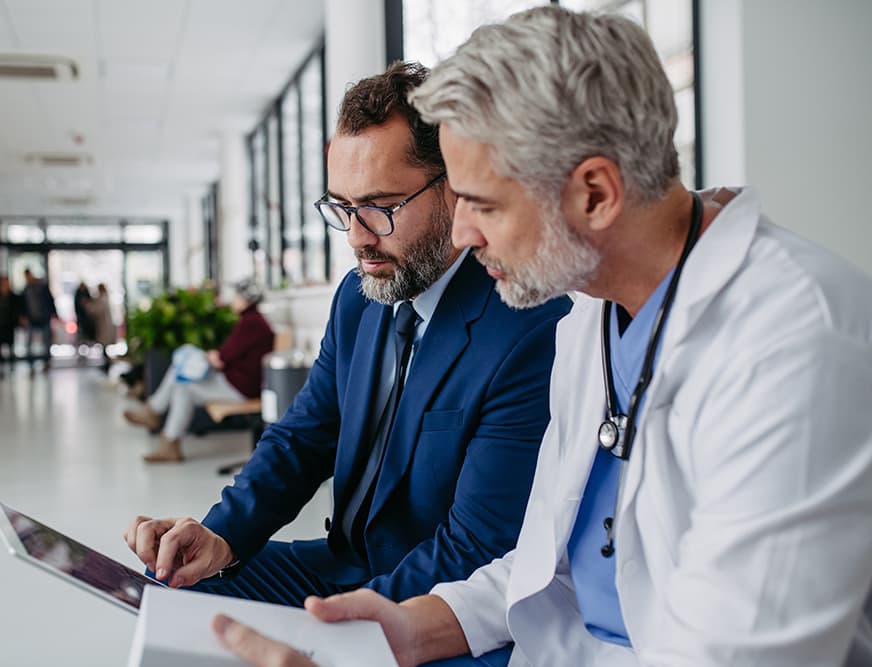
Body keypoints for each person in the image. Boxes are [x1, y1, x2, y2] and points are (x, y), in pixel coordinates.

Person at [214, 6, 872, 666]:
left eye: (485, 204)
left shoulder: (797, 341)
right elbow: (542, 567)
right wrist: (407, 629)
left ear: (594, 194)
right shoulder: (592, 309)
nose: (464, 235)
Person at [123, 62, 571, 606]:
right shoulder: (360, 300)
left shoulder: (527, 330)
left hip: (432, 596)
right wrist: (222, 536)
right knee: (171, 591)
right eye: (343, 207)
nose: (358, 237)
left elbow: (476, 548)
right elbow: (303, 437)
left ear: (455, 190)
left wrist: (342, 622)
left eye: (381, 207)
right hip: (340, 565)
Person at [124, 279, 275, 463]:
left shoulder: (251, 323)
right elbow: (228, 355)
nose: (232, 300)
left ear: (246, 299)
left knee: (182, 381)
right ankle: (165, 435)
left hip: (241, 388)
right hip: (238, 381)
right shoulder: (254, 321)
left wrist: (213, 356)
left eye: (236, 296)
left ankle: (157, 417)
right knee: (182, 378)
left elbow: (223, 358)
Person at [21, 268, 57, 375]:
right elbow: (24, 305)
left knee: (46, 342)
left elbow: (50, 300)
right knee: (30, 344)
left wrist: (53, 314)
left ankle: (46, 362)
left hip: (44, 318)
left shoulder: (42, 287)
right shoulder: (26, 289)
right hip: (32, 319)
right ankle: (31, 365)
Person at [84, 283, 116, 374]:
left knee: (104, 346)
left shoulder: (102, 299)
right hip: (104, 326)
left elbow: (96, 311)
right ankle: (107, 364)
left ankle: (108, 364)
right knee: (104, 347)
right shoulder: (105, 298)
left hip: (104, 326)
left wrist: (88, 306)